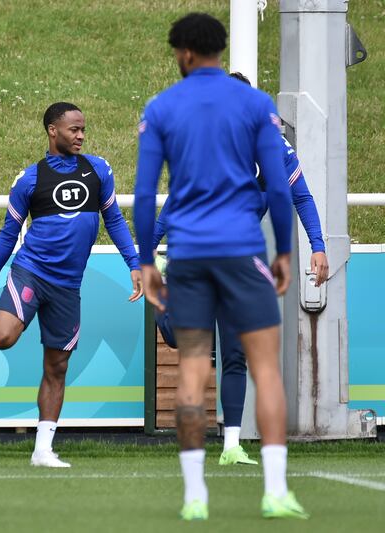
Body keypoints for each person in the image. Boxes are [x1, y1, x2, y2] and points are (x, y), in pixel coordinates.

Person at [134, 13, 308, 520]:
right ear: (218, 48)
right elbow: (278, 187)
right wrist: (282, 254)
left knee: (192, 368)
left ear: (184, 53)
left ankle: (194, 496)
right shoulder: (257, 104)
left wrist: (147, 259)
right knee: (266, 368)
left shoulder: (162, 107)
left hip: (187, 254)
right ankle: (275, 490)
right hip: (242, 250)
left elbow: (147, 195)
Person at [152, 71, 328, 467]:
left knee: (235, 352)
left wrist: (318, 247)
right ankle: (166, 312)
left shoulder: (274, 148)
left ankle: (231, 444)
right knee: (186, 342)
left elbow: (302, 196)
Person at [0, 102, 143, 468]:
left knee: (56, 367)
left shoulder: (98, 170)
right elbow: (9, 235)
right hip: (31, 272)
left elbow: (115, 220)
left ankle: (42, 450)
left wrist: (134, 264)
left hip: (67, 286)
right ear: (52, 131)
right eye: (74, 129)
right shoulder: (30, 179)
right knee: (1, 338)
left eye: (83, 130)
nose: (81, 136)